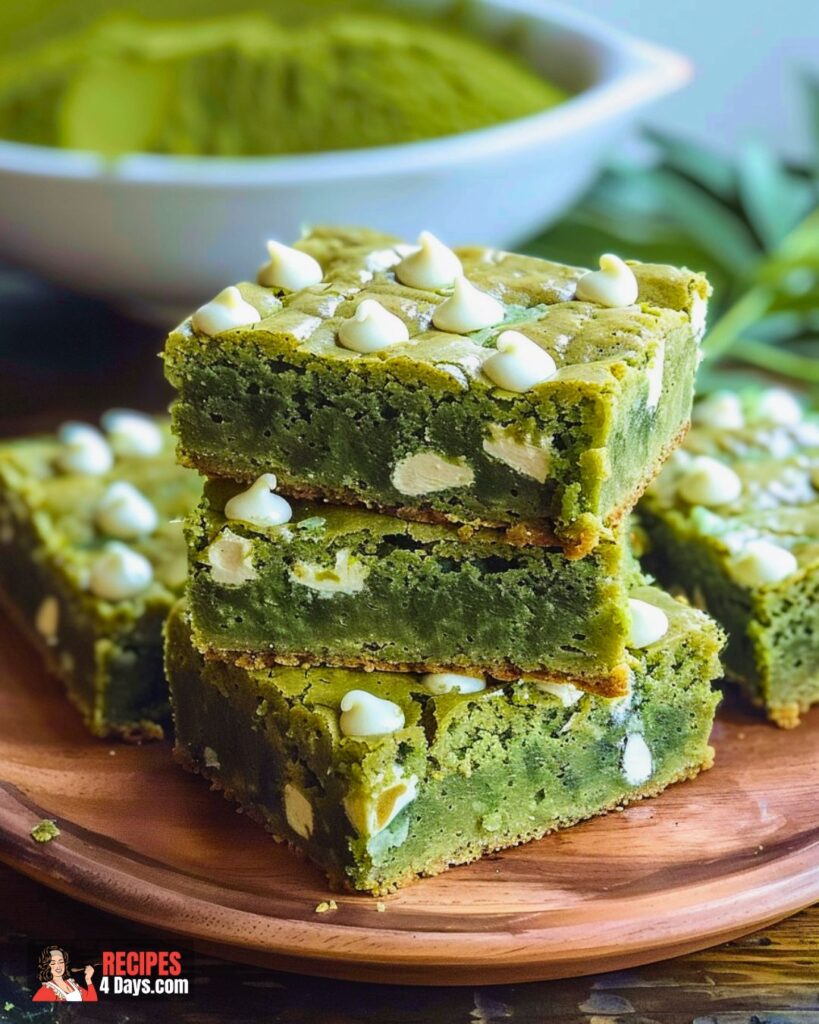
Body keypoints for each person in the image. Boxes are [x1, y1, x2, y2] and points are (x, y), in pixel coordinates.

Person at [31, 946, 98, 1002]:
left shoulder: (71, 983)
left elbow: (92, 1001)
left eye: (61, 962)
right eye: (53, 963)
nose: (58, 966)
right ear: (47, 966)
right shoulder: (46, 990)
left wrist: (88, 979)